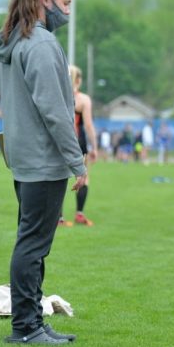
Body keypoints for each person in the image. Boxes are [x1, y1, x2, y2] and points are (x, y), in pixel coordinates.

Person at [0, 0, 86, 345]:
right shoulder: (43, 44)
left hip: (23, 157)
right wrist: (77, 161)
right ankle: (26, 327)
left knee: (32, 241)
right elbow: (56, 111)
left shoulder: (15, 41)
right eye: (65, 3)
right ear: (46, 0)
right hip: (43, 161)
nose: (67, 11)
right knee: (33, 244)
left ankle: (31, 320)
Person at [60, 65, 98, 226]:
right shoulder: (83, 100)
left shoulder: (59, 96)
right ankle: (79, 214)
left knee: (59, 177)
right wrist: (94, 147)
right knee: (84, 176)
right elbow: (88, 125)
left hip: (61, 140)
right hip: (79, 143)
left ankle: (59, 218)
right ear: (78, 79)